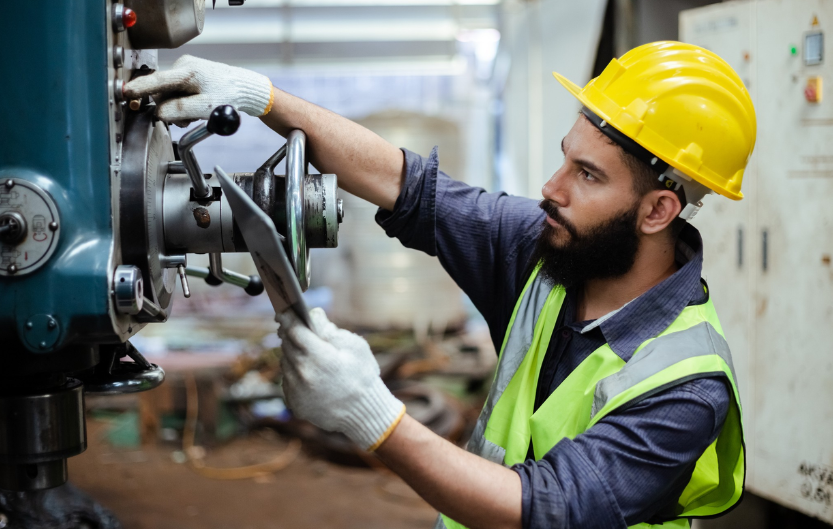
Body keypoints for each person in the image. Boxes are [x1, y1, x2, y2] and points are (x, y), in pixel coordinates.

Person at [125, 41, 755, 529]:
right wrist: (265, 98)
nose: (551, 187)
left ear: (657, 212)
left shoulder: (685, 387)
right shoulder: (547, 249)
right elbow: (410, 188)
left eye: (587, 175)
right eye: (566, 158)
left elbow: (543, 510)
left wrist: (372, 415)